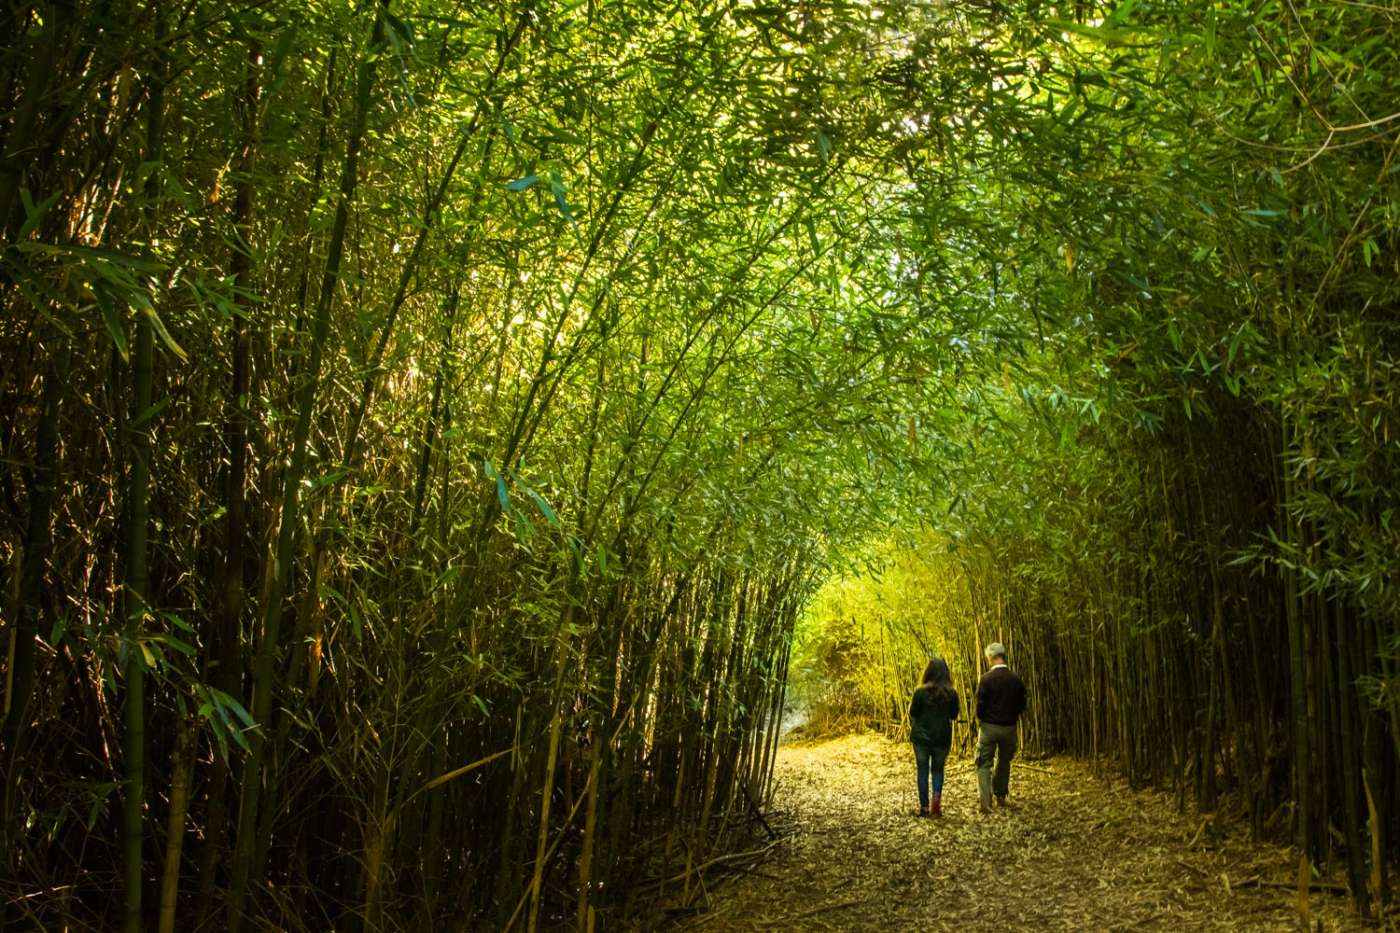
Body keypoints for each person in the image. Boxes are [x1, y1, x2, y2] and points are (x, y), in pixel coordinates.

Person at [975, 642, 1027, 814]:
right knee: (1004, 761)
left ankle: (986, 801)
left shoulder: (986, 679)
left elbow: (979, 707)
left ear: (991, 657)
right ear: (1003, 656)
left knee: (983, 763)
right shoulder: (1016, 679)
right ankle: (1001, 796)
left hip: (989, 727)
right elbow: (1022, 705)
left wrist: (983, 719)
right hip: (1009, 728)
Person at [909, 657, 959, 817]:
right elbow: (954, 715)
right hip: (942, 738)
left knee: (922, 771)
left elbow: (913, 713)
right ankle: (936, 802)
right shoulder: (951, 693)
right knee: (938, 770)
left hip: (921, 739)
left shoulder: (920, 692)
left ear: (928, 672)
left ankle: (924, 808)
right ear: (945, 673)